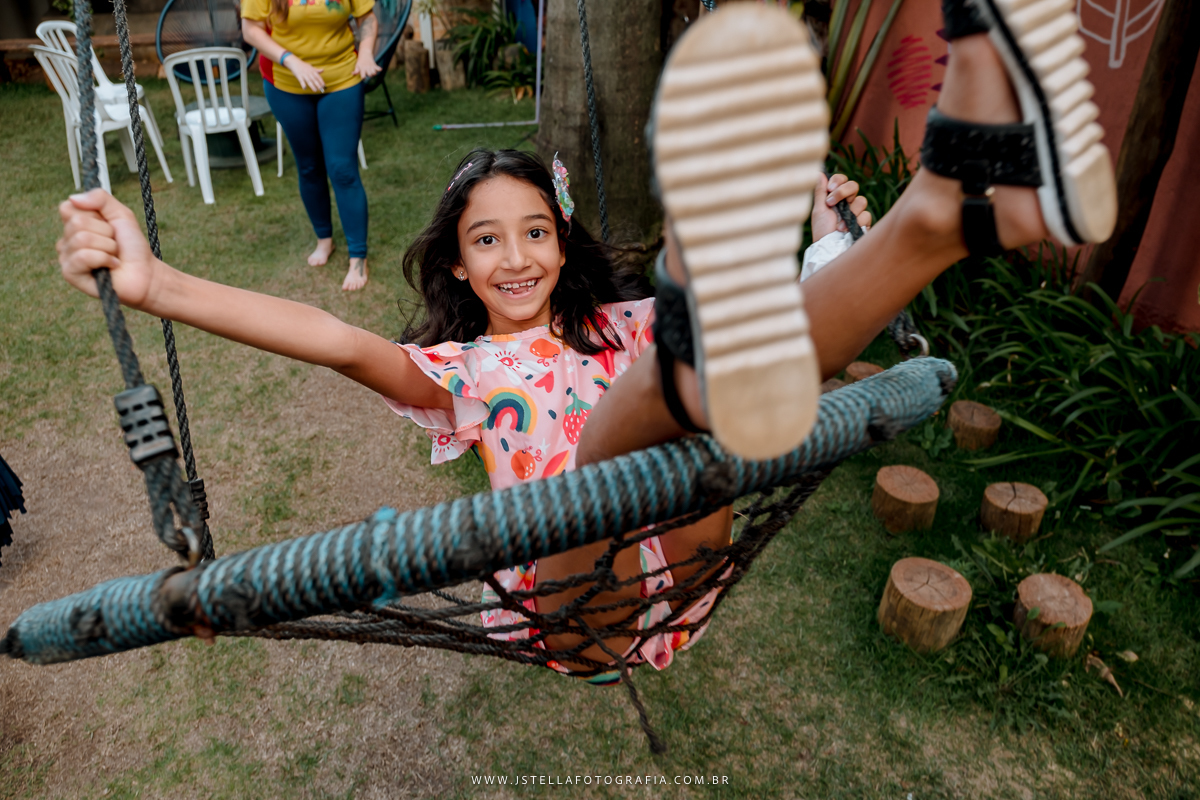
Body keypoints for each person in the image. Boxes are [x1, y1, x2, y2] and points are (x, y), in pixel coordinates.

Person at [57, 2, 1113, 679]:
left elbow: (783, 331)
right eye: (486, 240)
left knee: (691, 380)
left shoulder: (619, 322)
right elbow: (334, 336)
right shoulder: (461, 371)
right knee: (660, 395)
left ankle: (946, 208)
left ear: (563, 246)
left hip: (690, 553)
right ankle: (909, 219)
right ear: (459, 270)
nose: (515, 255)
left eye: (534, 231)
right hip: (577, 602)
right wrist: (159, 284)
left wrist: (826, 240)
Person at [242, 0, 380, 291]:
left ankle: (358, 257)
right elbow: (251, 30)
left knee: (343, 169)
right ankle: (324, 239)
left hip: (343, 78)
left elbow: (366, 18)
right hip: (286, 83)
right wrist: (292, 60)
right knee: (308, 165)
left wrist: (366, 52)